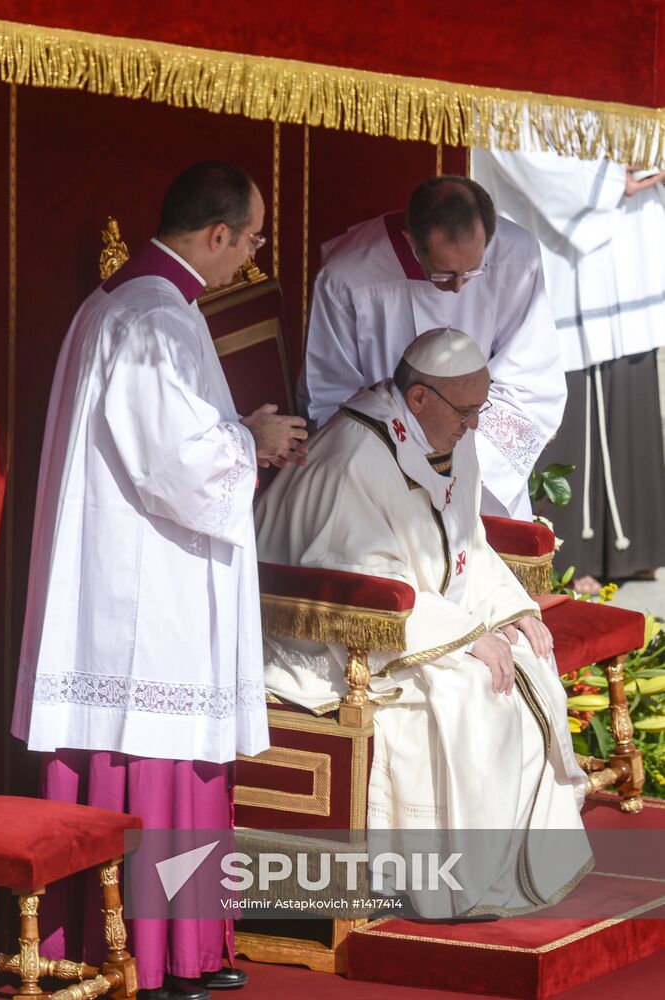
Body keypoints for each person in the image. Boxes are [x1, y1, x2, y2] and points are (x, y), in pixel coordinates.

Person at [11, 161, 308, 997]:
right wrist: (256, 441)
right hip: (146, 588)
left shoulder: (130, 304)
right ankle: (155, 954)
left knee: (153, 748)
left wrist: (236, 432)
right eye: (249, 240)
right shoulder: (152, 316)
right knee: (158, 758)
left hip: (133, 572)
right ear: (215, 234)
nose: (248, 257)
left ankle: (167, 948)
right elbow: (176, 464)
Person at [257, 328, 591, 918]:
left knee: (526, 655)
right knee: (472, 688)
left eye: (481, 409)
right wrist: (463, 635)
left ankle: (508, 859)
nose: (476, 425)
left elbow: (467, 541)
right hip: (324, 632)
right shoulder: (354, 457)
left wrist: (503, 608)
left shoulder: (446, 433)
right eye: (467, 411)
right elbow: (355, 574)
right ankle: (453, 879)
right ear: (418, 399)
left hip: (410, 609)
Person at [296, 176, 567, 520]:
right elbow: (331, 393)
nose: (456, 288)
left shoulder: (517, 257)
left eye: (472, 272)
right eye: (443, 274)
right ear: (412, 242)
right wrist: (401, 462)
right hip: (384, 475)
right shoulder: (347, 275)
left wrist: (461, 463)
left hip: (481, 474)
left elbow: (532, 378)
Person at [472, 147, 665, 588]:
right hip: (557, 241)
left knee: (629, 378)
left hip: (629, 242)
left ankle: (634, 546)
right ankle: (565, 556)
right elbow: (516, 144)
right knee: (558, 388)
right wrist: (609, 180)